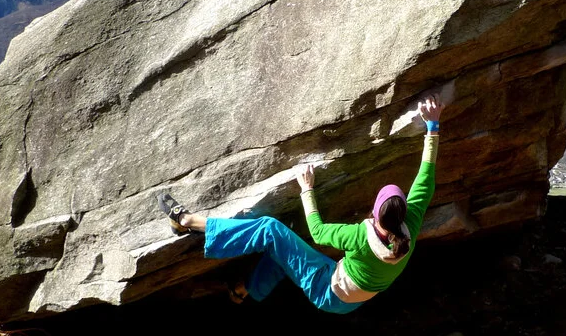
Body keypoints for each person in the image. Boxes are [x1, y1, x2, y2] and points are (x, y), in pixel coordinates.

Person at [159, 95, 443, 314]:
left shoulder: (359, 237)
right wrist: (432, 127)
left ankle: (190, 224)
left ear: (375, 211)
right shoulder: (411, 227)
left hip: (327, 290)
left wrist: (307, 189)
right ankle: (242, 290)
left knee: (271, 230)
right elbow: (426, 179)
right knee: (286, 248)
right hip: (353, 301)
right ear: (405, 210)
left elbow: (318, 232)